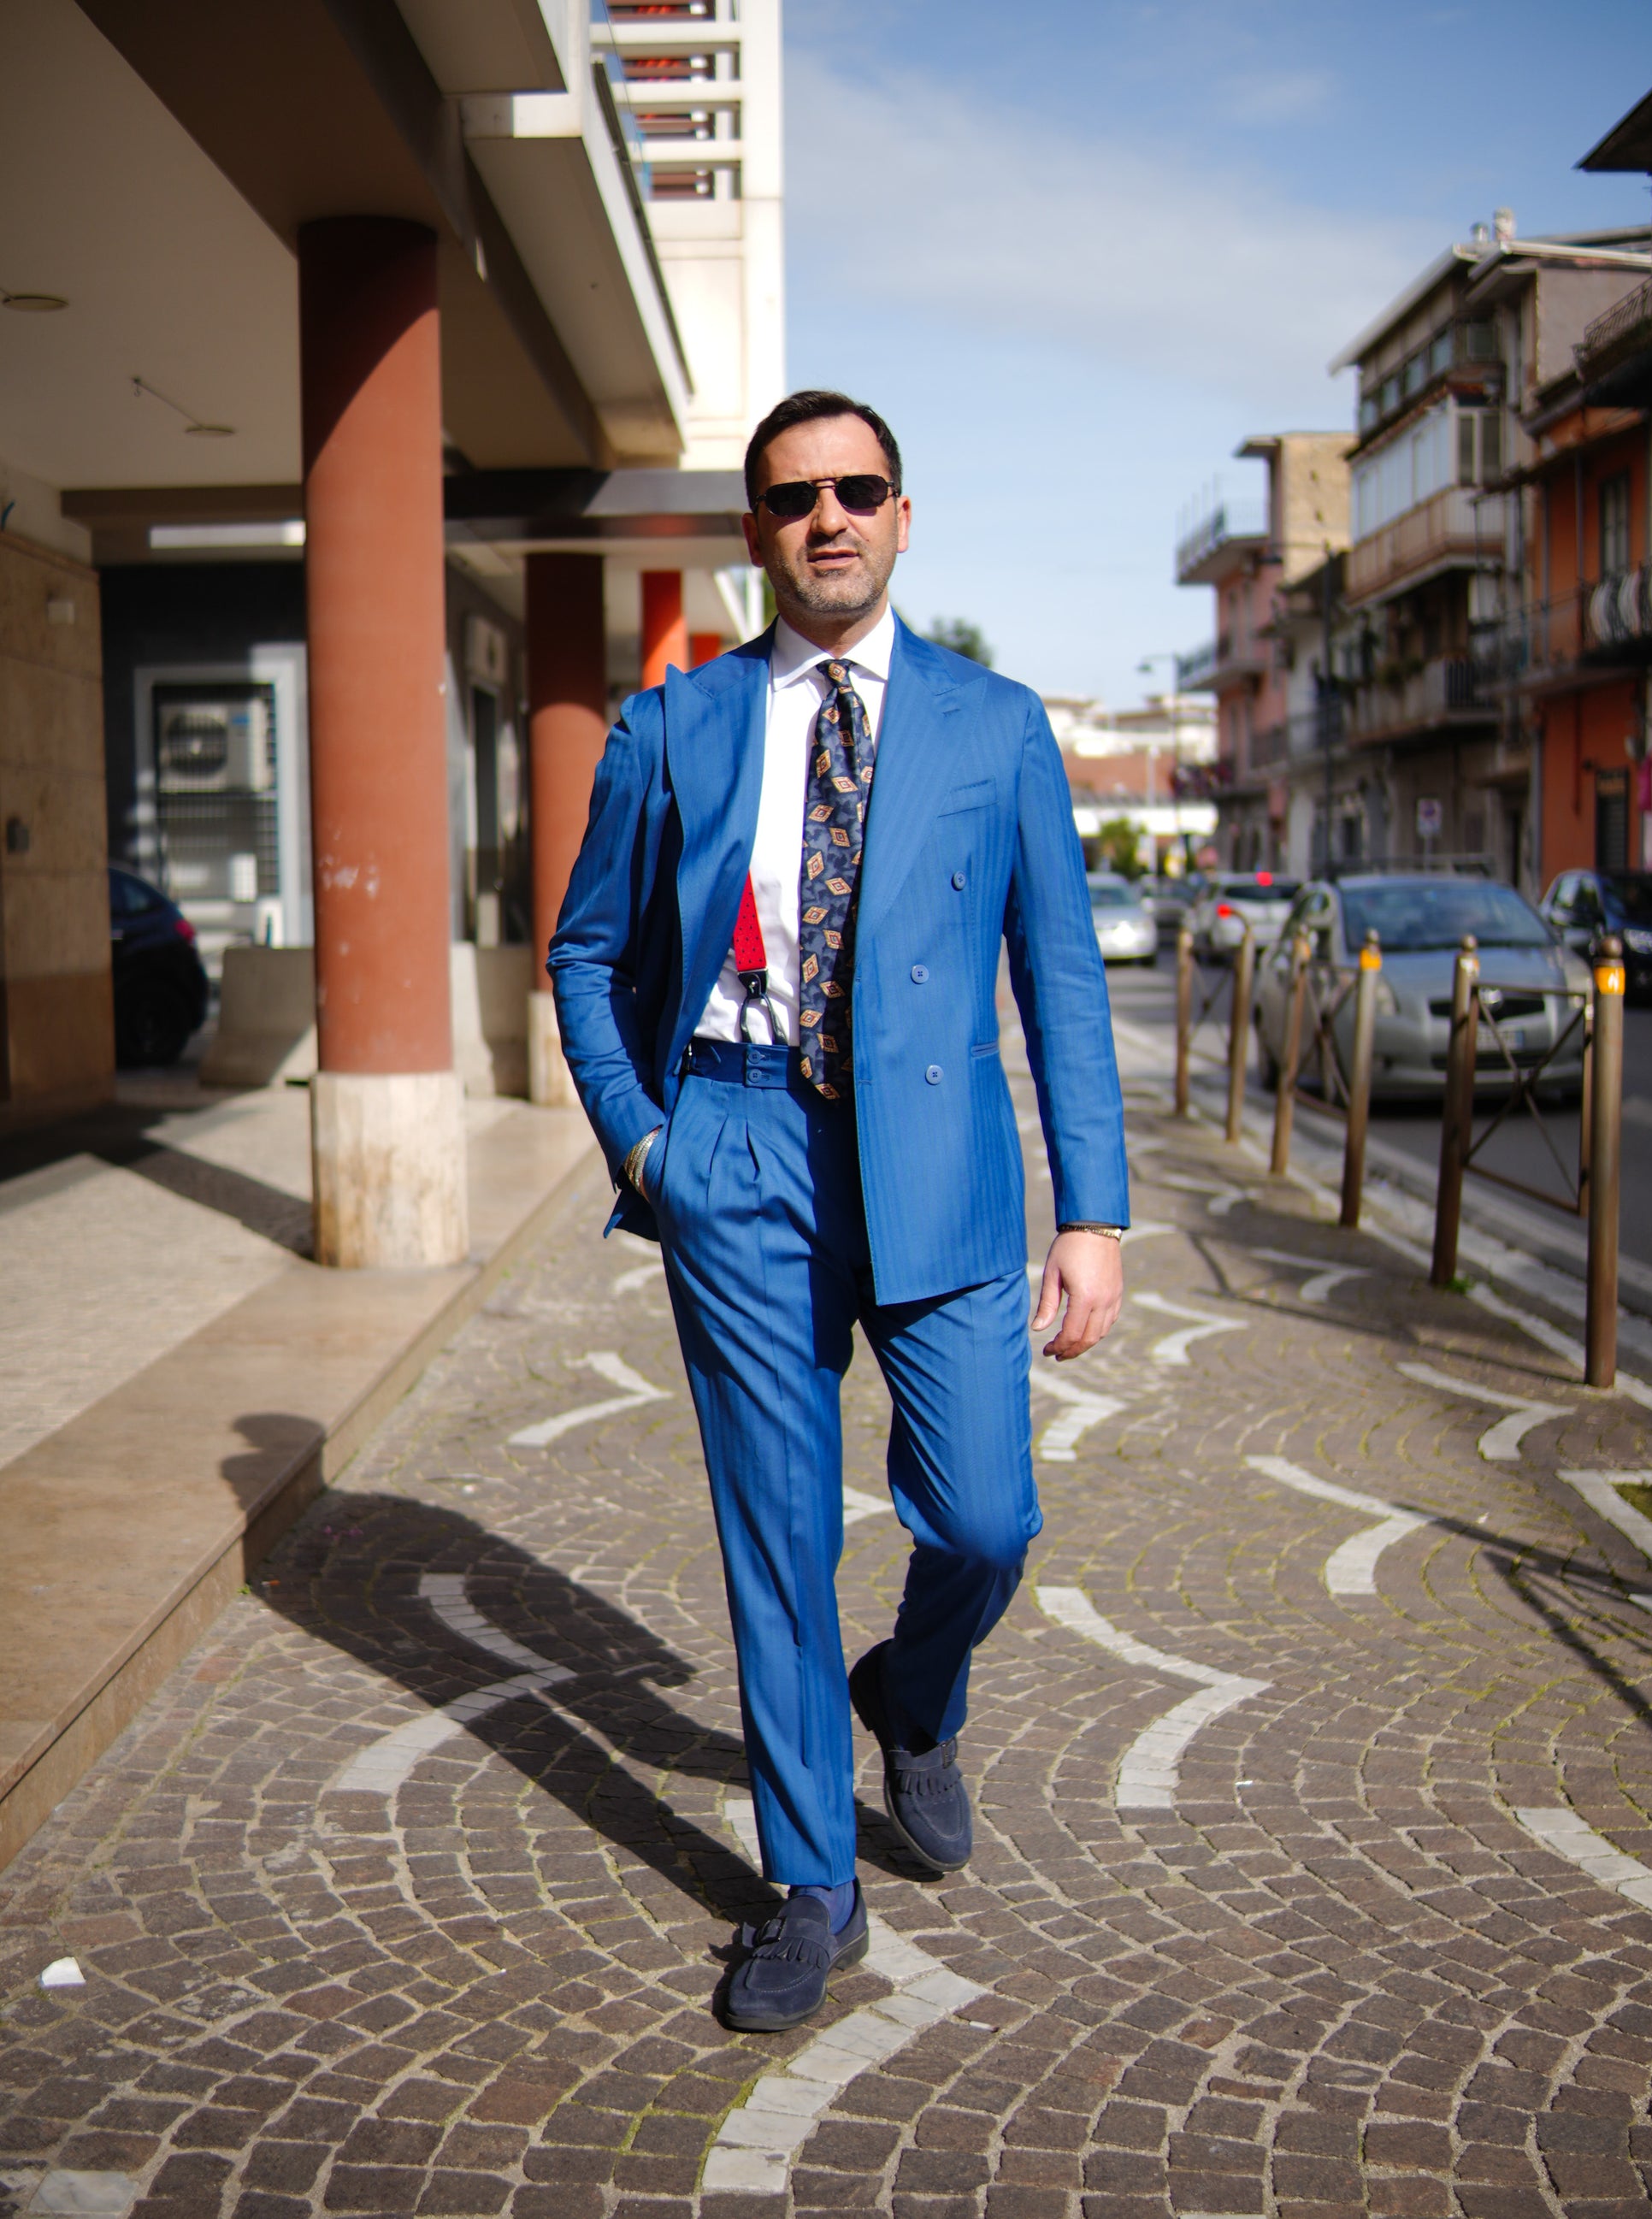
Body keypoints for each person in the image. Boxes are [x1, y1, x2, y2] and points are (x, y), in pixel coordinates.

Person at [550, 390, 1128, 2031]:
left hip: (941, 1162)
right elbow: (584, 955)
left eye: (858, 490)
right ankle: (810, 1884)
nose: (829, 518)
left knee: (987, 1517)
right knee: (779, 1542)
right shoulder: (673, 727)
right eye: (795, 496)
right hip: (736, 1152)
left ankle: (913, 1692)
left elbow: (1061, 977)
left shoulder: (996, 725)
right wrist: (646, 1147)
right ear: (755, 531)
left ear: (900, 516)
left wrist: (1093, 1212)